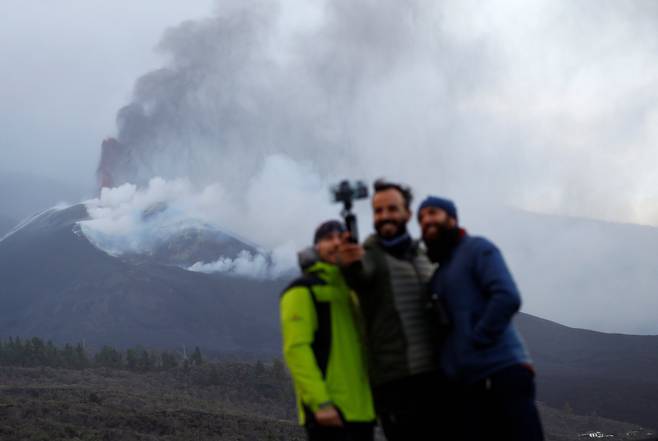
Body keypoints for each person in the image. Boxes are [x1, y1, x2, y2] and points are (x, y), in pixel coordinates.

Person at [418, 196, 544, 441]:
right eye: (421, 218)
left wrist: (475, 341)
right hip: (470, 381)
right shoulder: (440, 274)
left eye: (433, 213)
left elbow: (507, 296)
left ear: (452, 218)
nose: (427, 220)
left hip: (503, 369)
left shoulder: (477, 248)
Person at [337, 180, 444, 441]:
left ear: (407, 213)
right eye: (378, 211)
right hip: (397, 385)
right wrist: (349, 264)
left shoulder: (422, 256)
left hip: (438, 379)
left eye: (391, 209)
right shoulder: (371, 255)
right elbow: (360, 275)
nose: (384, 216)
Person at [280, 220, 376, 441]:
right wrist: (320, 403)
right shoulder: (302, 290)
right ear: (316, 247)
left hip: (363, 412)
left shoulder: (352, 290)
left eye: (340, 238)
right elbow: (296, 350)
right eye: (327, 238)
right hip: (329, 413)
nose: (335, 243)